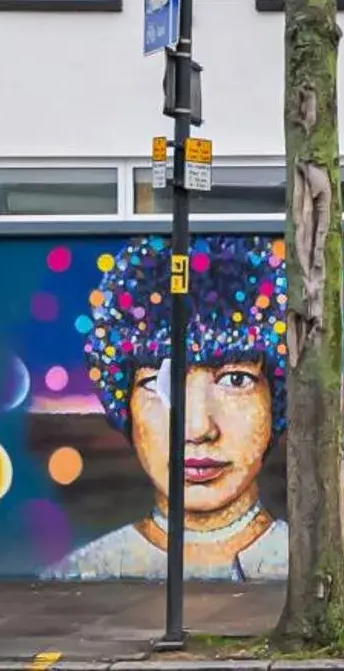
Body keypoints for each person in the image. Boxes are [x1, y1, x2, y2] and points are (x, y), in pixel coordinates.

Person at [46, 237, 290, 581]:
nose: (197, 428)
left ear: (275, 401)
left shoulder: (326, 574)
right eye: (159, 384)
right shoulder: (80, 574)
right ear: (125, 406)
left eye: (236, 380)